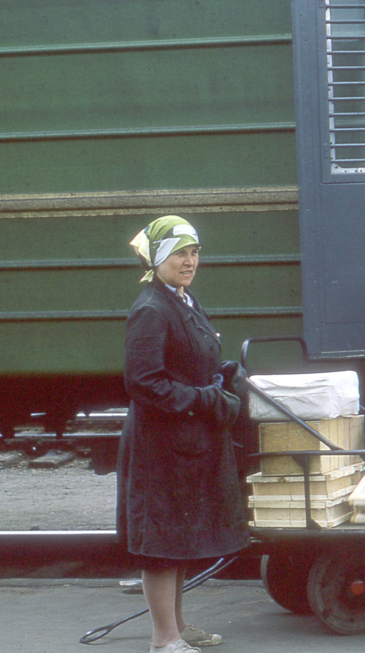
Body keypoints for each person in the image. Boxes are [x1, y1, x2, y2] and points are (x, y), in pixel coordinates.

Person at [116, 215, 249, 653]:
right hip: (161, 443)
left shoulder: (182, 299)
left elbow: (190, 357)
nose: (189, 261)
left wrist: (222, 373)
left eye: (194, 252)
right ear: (157, 258)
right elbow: (143, 382)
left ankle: (177, 625)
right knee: (162, 541)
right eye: (179, 253)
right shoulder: (151, 309)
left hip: (184, 443)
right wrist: (206, 399)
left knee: (177, 536)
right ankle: (163, 639)